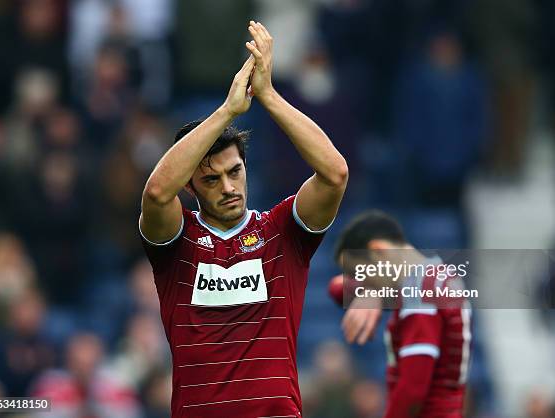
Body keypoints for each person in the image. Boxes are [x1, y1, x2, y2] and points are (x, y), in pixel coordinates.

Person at [139, 21, 348, 417]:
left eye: (235, 172)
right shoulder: (175, 242)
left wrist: (268, 96)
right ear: (191, 187)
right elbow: (155, 192)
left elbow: (335, 173)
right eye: (211, 179)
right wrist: (227, 111)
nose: (228, 186)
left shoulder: (280, 232)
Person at [328, 211, 471, 418]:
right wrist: (371, 291)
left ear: (378, 252)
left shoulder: (421, 292)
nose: (361, 281)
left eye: (358, 271)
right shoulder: (435, 277)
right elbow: (335, 288)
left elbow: (412, 392)